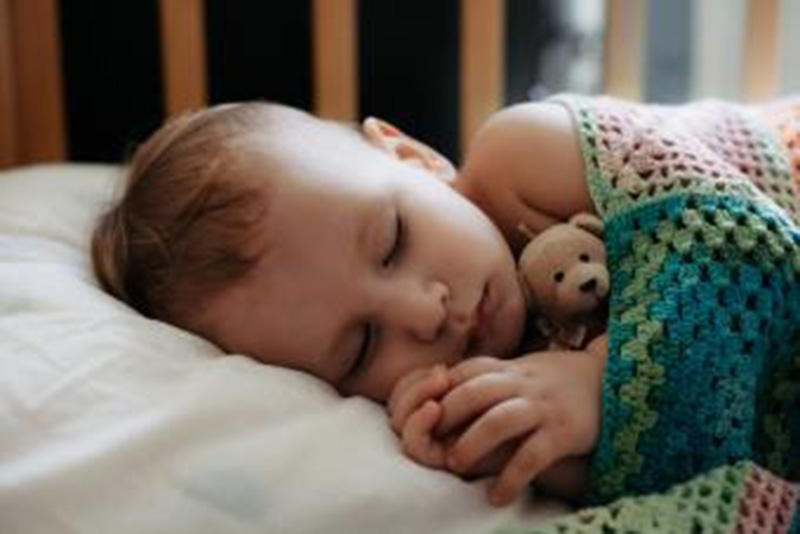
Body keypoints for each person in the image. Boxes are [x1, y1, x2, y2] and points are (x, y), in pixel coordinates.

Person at [91, 100, 609, 507]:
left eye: (393, 242)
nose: (424, 314)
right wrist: (511, 453)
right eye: (364, 345)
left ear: (414, 158)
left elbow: (690, 207)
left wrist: (599, 373)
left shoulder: (523, 160)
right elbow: (661, 462)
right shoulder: (468, 398)